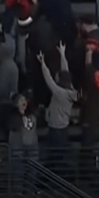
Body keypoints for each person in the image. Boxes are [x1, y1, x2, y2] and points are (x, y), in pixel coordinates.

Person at [37, 43, 78, 172]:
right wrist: (62, 54)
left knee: (55, 156)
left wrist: (43, 64)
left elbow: (48, 79)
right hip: (63, 128)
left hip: (56, 129)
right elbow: (65, 70)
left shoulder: (60, 93)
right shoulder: (70, 89)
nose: (56, 76)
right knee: (60, 155)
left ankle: (56, 178)